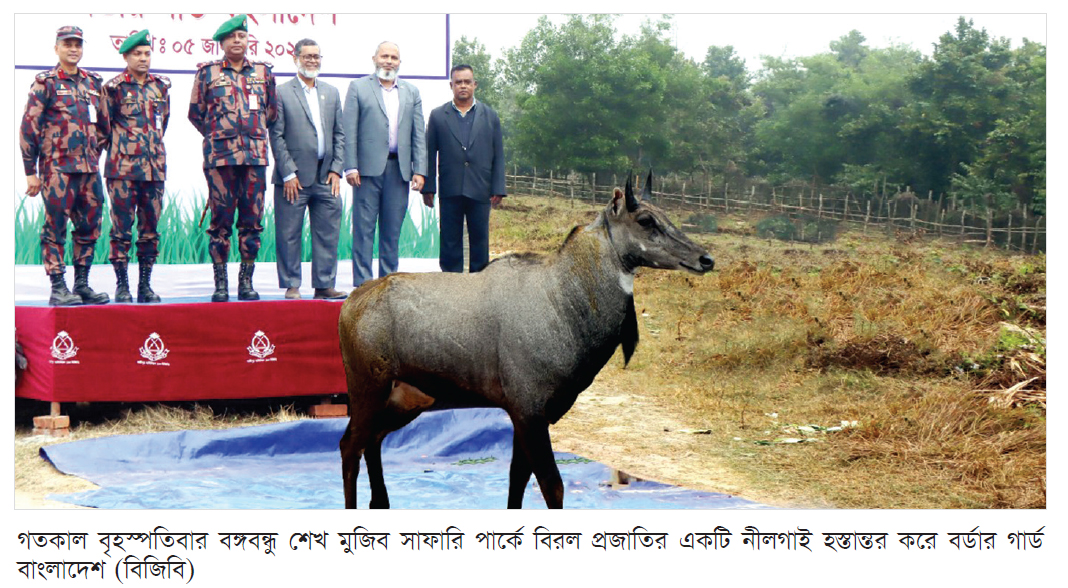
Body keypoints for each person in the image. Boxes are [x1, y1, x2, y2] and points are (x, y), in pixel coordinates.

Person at [20, 25, 111, 306]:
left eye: (77, 44)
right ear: (56, 48)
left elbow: (104, 127)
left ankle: (81, 284)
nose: (73, 49)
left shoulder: (94, 83)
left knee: (89, 226)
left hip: (88, 169)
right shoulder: (45, 83)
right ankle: (58, 286)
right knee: (55, 227)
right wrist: (30, 173)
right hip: (56, 168)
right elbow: (29, 128)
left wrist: (93, 154)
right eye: (67, 44)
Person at [188, 14, 277, 302]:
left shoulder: (263, 73)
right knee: (220, 222)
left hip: (254, 158)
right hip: (220, 159)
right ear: (222, 43)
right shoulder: (207, 74)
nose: (237, 41)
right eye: (231, 37)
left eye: (242, 36)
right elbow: (195, 113)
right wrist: (219, 135)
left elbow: (271, 113)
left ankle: (246, 282)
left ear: (247, 40)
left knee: (252, 221)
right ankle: (221, 283)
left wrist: (248, 134)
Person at [342, 41, 427, 287]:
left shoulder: (411, 92)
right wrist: (351, 166)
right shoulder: (358, 87)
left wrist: (419, 169)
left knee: (392, 233)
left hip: (399, 171)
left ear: (400, 62)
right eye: (385, 56)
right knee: (364, 231)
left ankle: (388, 285)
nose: (389, 61)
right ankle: (363, 286)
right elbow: (350, 129)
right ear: (374, 59)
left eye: (394, 57)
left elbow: (418, 134)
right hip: (365, 172)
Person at [268, 38, 346, 300]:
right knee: (289, 234)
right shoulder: (281, 92)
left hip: (326, 177)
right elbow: (276, 136)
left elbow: (339, 134)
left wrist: (337, 169)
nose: (312, 61)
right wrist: (288, 172)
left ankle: (324, 285)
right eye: (307, 56)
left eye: (316, 56)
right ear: (295, 58)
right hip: (293, 179)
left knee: (328, 233)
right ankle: (292, 284)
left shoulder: (331, 92)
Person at [103, 29, 169, 304]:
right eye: (137, 54)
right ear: (126, 56)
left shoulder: (161, 87)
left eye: (147, 53)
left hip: (154, 170)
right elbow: (104, 129)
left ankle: (145, 285)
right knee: (121, 230)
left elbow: (162, 123)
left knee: (150, 230)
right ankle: (122, 285)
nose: (143, 58)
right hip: (122, 170)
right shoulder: (114, 87)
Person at [422, 64, 506, 273]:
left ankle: (479, 286)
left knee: (480, 239)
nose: (463, 86)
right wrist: (428, 187)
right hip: (451, 188)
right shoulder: (438, 116)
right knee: (449, 240)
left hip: (480, 187)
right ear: (451, 85)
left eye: (467, 82)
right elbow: (429, 153)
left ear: (475, 85)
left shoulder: (490, 116)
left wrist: (498, 188)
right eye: (458, 82)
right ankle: (450, 284)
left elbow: (499, 154)